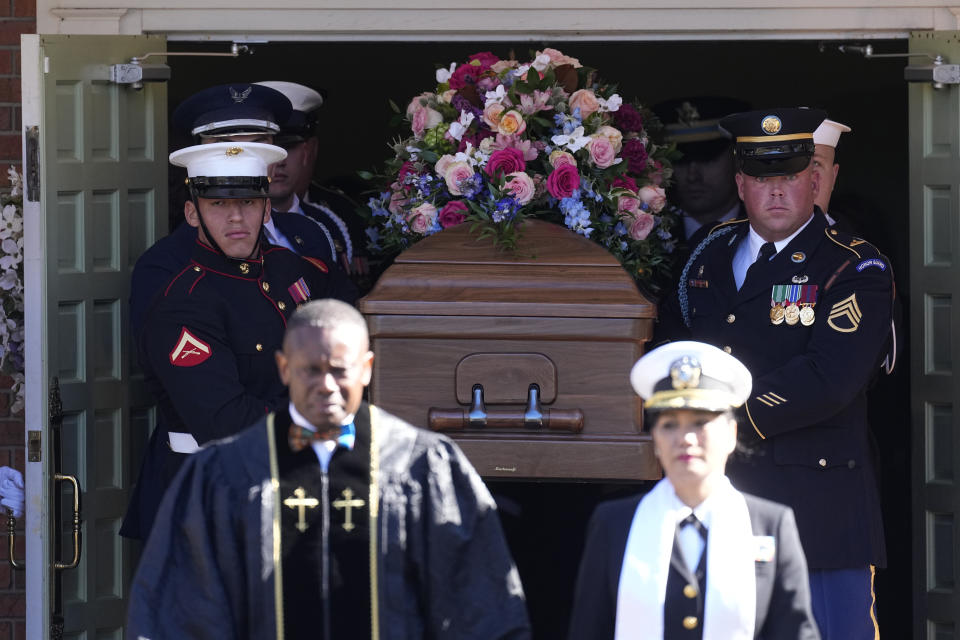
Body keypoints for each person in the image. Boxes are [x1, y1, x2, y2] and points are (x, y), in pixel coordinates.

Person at [127, 299, 532, 640]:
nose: (326, 385)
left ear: (367, 368)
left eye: (340, 369)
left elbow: (479, 605)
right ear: (284, 369)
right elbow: (184, 611)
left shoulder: (423, 466)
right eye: (309, 370)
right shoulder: (225, 472)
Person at [656, 108, 892, 640]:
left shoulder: (854, 266)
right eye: (763, 177)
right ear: (741, 184)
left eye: (788, 175)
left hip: (817, 510)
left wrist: (715, 421)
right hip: (715, 500)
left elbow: (828, 378)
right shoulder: (704, 255)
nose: (776, 191)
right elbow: (671, 347)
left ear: (814, 180)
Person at [121, 142, 357, 541]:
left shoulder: (288, 269)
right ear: (192, 213)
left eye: (249, 202)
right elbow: (225, 421)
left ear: (267, 209)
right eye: (217, 205)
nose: (236, 217)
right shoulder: (183, 304)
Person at [567, 341, 819, 640]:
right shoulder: (614, 523)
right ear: (655, 439)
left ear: (731, 434)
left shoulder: (770, 524)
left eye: (700, 423)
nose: (685, 438)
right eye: (669, 425)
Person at [129, 82, 354, 338]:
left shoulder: (310, 231)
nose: (243, 160)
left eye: (259, 146)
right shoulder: (164, 264)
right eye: (223, 147)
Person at [255, 80, 367, 279]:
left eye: (287, 147)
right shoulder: (231, 226)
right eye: (267, 151)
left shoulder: (330, 222)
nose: (278, 162)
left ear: (308, 151)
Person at [654, 97, 749, 246]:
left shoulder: (766, 230)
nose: (693, 176)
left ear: (737, 160)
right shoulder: (651, 239)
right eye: (680, 160)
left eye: (707, 158)